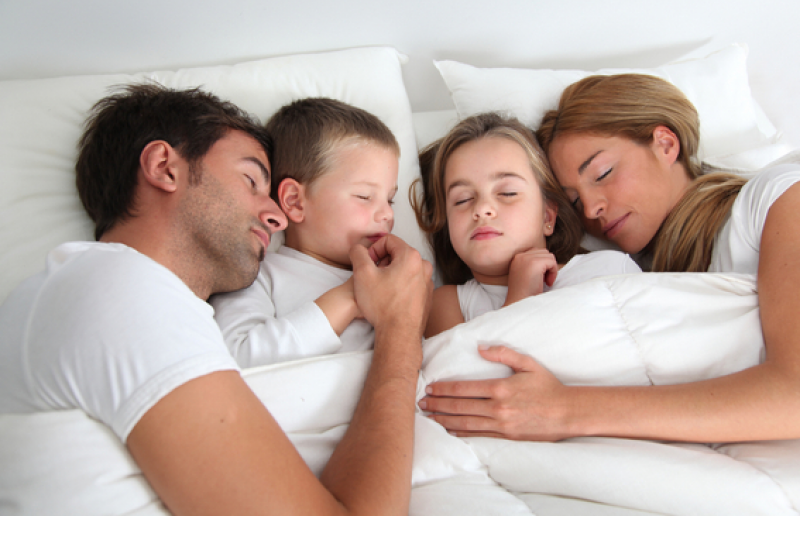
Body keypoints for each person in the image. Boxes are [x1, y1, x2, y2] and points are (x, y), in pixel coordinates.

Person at [0, 83, 433, 515]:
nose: (277, 216)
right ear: (164, 167)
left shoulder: (146, 304)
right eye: (251, 180)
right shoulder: (118, 289)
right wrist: (398, 325)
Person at [418, 74, 800, 444]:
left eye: (602, 173)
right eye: (574, 201)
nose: (591, 208)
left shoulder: (776, 198)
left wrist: (565, 410)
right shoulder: (640, 272)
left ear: (666, 144)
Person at [411, 113, 640, 338]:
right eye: (462, 199)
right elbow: (470, 363)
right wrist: (520, 298)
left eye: (507, 193)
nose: (481, 208)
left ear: (547, 217)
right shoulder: (447, 306)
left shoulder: (608, 269)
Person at [212, 98, 400, 366]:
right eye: (364, 196)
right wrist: (351, 296)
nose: (387, 214)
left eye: (390, 200)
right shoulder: (257, 274)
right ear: (295, 202)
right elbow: (238, 356)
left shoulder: (392, 276)